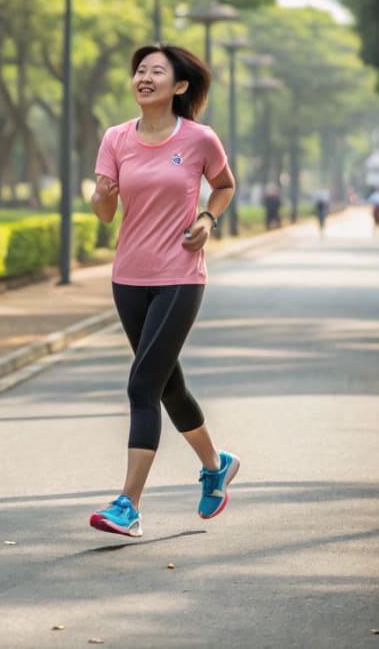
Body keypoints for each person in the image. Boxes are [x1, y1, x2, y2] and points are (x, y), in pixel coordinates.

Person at [88, 44, 238, 538]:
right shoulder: (115, 138)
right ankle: (216, 465)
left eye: (157, 71)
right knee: (168, 385)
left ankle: (127, 505)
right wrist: (102, 197)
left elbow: (224, 184)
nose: (144, 77)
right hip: (128, 278)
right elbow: (105, 213)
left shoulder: (199, 138)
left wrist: (207, 218)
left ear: (179, 86)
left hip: (180, 275)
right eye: (139, 70)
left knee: (142, 385)